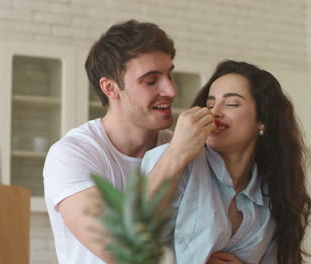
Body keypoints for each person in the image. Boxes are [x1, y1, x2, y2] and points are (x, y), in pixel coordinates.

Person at [43, 19, 216, 264]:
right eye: (150, 80)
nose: (171, 90)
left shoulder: (182, 148)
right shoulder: (72, 154)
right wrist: (176, 155)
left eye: (169, 75)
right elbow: (116, 247)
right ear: (111, 88)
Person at [141, 60, 311, 264]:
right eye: (210, 104)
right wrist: (177, 154)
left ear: (262, 120)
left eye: (232, 103)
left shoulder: (273, 193)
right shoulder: (173, 161)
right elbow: (129, 237)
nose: (214, 112)